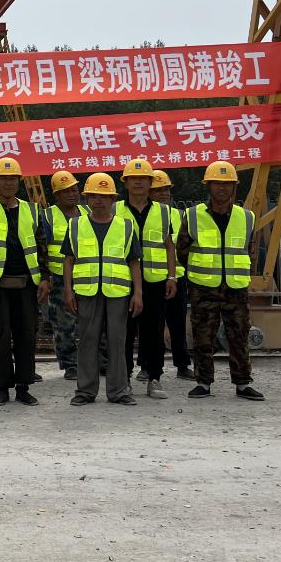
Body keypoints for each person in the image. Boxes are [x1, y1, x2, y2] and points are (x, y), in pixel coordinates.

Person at [178, 161, 264, 401]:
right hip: (203, 286)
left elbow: (250, 250)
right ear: (208, 185)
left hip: (236, 287)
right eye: (217, 183)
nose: (222, 188)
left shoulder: (247, 217)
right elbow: (182, 250)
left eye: (227, 184)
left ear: (235, 186)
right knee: (203, 335)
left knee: (239, 335)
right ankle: (203, 383)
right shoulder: (192, 215)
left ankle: (243, 383)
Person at [0, 157, 50, 407]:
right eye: (3, 178)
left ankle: (24, 386)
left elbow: (42, 246)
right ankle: (2, 386)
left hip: (27, 285)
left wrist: (45, 278)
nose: (8, 183)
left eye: (13, 178)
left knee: (27, 335)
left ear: (19, 181)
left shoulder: (32, 210)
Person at [63, 173, 142, 406]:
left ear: (113, 199)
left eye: (104, 196)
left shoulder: (126, 226)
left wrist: (138, 293)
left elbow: (134, 262)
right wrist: (68, 291)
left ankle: (118, 391)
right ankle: (85, 391)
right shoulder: (75, 225)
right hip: (86, 292)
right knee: (88, 340)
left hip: (118, 292)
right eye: (94, 196)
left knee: (118, 340)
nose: (99, 201)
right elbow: (68, 260)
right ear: (86, 199)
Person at [115, 158, 176, 400]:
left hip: (155, 282)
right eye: (133, 178)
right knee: (124, 334)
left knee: (154, 333)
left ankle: (154, 378)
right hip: (123, 282)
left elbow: (169, 246)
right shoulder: (115, 210)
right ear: (126, 182)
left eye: (143, 178)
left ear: (151, 182)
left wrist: (172, 276)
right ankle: (125, 379)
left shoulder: (163, 211)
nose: (138, 182)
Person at [42, 171, 88, 380]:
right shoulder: (48, 216)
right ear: (56, 195)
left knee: (92, 321)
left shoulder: (87, 212)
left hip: (86, 275)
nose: (71, 194)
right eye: (65, 191)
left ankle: (98, 361)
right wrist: (46, 277)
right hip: (59, 277)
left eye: (74, 190)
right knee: (63, 323)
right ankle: (70, 364)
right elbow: (42, 249)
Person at [149, 170, 194, 380]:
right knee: (151, 326)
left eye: (166, 189)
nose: (163, 194)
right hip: (152, 277)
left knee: (177, 323)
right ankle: (147, 366)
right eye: (158, 190)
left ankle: (182, 364)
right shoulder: (146, 216)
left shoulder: (178, 215)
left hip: (177, 276)